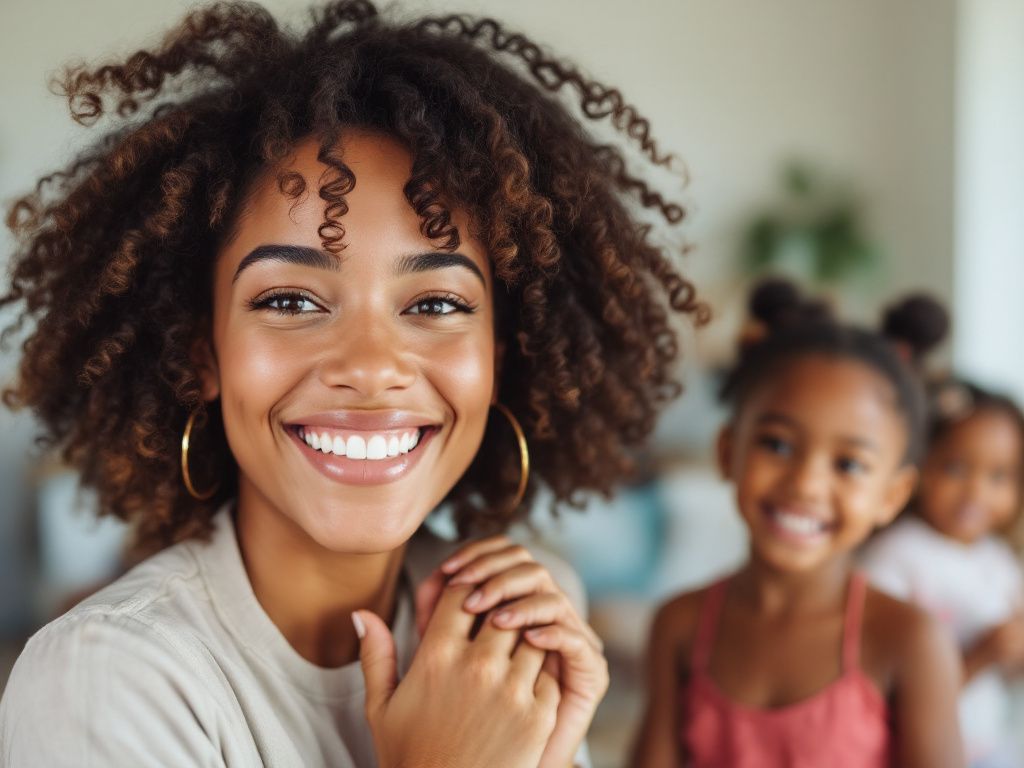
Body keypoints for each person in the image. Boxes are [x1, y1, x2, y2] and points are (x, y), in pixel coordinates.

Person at [0, 2, 707, 765]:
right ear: (201, 353)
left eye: (436, 303)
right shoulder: (103, 679)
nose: (371, 367)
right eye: (290, 301)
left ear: (502, 356)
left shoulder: (512, 620)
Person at [630, 281, 964, 768]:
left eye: (848, 464)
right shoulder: (679, 625)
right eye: (778, 445)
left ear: (891, 496)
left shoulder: (910, 641)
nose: (806, 485)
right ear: (728, 452)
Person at [861, 375, 1024, 767]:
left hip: (985, 746)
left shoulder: (998, 561)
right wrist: (980, 657)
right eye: (956, 469)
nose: (976, 493)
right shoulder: (896, 557)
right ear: (919, 466)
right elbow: (879, 691)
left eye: (999, 476)